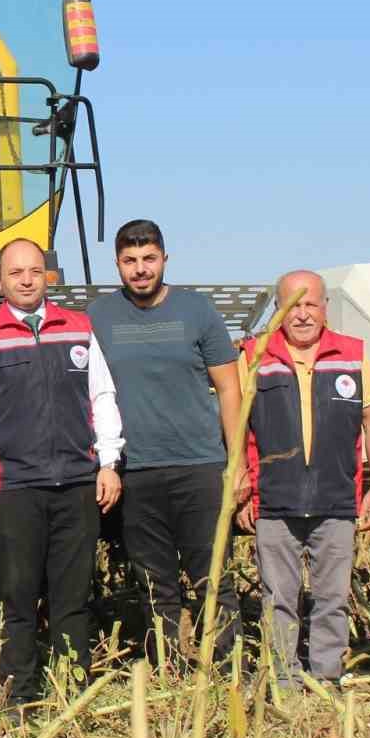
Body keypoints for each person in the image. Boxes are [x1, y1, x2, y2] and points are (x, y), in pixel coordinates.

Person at [0, 239, 123, 723]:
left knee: (73, 597)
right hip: (15, 486)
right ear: (0, 281)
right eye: (15, 273)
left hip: (76, 482)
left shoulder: (79, 328)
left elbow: (103, 396)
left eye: (34, 271)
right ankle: (20, 696)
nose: (26, 280)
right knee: (20, 595)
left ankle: (73, 691)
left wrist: (108, 461)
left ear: (48, 275)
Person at [88, 219, 244, 664]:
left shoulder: (198, 310)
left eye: (149, 259)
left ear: (164, 259)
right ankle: (170, 668)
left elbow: (230, 388)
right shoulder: (99, 317)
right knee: (154, 583)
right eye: (130, 261)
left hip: (200, 466)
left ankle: (229, 666)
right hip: (135, 470)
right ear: (117, 264)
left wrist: (237, 463)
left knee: (213, 575)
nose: (141, 269)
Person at [236, 270, 370, 690]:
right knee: (278, 599)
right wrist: (244, 489)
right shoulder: (255, 356)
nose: (301, 314)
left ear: (325, 308)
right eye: (292, 305)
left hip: (336, 498)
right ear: (279, 310)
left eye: (310, 304)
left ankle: (326, 679)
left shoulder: (352, 355)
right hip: (274, 501)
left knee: (332, 599)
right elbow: (240, 428)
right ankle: (283, 681)